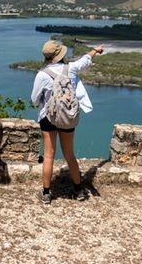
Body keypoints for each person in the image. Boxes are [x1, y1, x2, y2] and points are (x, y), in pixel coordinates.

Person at [31, 40, 103, 204]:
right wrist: (95, 50)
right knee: (69, 154)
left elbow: (34, 100)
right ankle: (78, 190)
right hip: (67, 117)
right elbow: (85, 60)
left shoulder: (42, 74)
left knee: (49, 155)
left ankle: (46, 193)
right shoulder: (71, 69)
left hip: (48, 117)